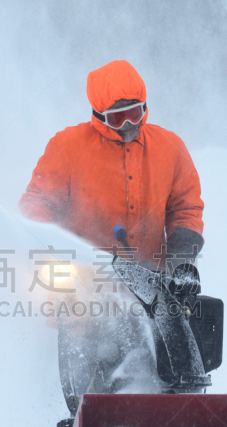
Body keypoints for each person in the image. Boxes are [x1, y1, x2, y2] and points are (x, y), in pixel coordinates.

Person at [19, 59, 204, 269]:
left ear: (144, 108)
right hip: (79, 277)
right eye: (117, 118)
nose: (127, 125)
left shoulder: (171, 148)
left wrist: (181, 261)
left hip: (153, 281)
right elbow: (39, 201)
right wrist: (46, 248)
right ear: (100, 116)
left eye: (133, 114)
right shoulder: (67, 146)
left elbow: (186, 210)